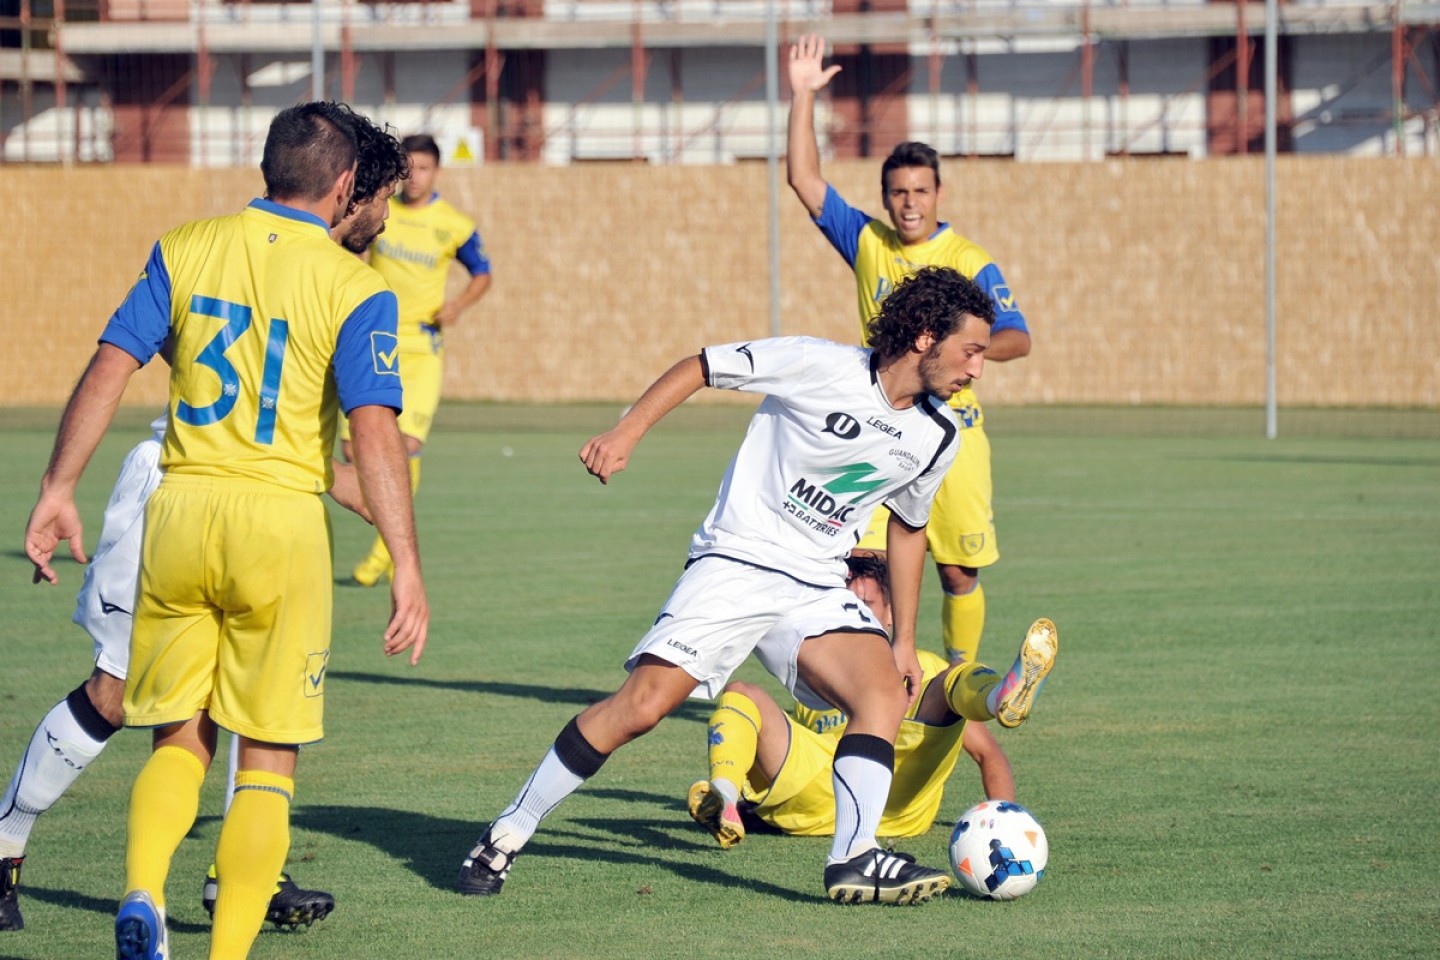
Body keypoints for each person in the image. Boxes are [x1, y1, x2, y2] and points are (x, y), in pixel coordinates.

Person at [456, 267, 1027, 906]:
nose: (978, 369)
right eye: (971, 351)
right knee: (641, 707)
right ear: (925, 337)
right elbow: (700, 366)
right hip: (737, 561)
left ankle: (853, 858)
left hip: (816, 582)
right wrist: (626, 432)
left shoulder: (937, 434)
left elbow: (910, 529)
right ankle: (509, 829)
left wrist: (903, 642)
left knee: (881, 696)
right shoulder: (817, 363)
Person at [22, 101, 428, 960]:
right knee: (269, 759)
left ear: (268, 168)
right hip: (278, 528)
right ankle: (227, 949)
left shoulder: (185, 247)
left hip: (178, 514)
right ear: (349, 183)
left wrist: (59, 487)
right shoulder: (355, 286)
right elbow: (375, 432)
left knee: (178, 735)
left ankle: (142, 894)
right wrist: (405, 562)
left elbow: (109, 363)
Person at [785, 34, 1032, 671]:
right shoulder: (867, 240)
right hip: (878, 421)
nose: (909, 203)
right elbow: (804, 178)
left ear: (938, 194)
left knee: (955, 573)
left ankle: (958, 682)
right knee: (864, 567)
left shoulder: (968, 260)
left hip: (953, 428)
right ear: (886, 195)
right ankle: (856, 688)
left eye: (920, 191)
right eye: (898, 192)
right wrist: (803, 94)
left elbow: (1018, 335)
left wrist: (969, 350)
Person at [686, 553, 1057, 849]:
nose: (854, 614)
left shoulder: (921, 667)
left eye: (865, 604)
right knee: (741, 694)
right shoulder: (818, 668)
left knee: (946, 679)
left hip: (899, 800)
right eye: (844, 604)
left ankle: (998, 697)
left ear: (892, 613)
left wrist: (1008, 818)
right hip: (813, 796)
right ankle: (724, 796)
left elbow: (987, 753)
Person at [346, 132, 492, 587]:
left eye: (425, 168)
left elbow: (483, 274)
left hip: (422, 346)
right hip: (376, 338)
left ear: (437, 171)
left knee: (405, 444)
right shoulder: (378, 211)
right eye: (409, 168)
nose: (416, 177)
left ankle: (387, 547)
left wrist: (457, 307)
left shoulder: (454, 224)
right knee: (354, 449)